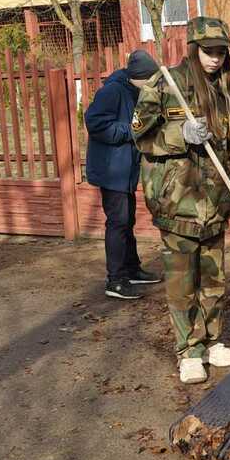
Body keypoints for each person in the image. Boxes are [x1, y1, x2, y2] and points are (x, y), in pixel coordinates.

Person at [132, 17, 230, 384]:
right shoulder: (165, 84)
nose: (215, 58)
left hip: (215, 203)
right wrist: (180, 133)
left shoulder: (224, 93)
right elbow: (140, 136)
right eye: (208, 51)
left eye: (221, 52)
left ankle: (212, 341)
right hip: (177, 202)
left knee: (214, 279)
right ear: (193, 49)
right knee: (182, 283)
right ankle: (188, 351)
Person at [85, 49, 162, 300]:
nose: (152, 83)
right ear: (138, 76)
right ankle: (115, 280)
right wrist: (130, 131)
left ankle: (131, 269)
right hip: (111, 169)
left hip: (125, 168)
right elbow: (95, 123)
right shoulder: (112, 91)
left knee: (126, 220)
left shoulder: (133, 90)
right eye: (150, 78)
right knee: (118, 222)